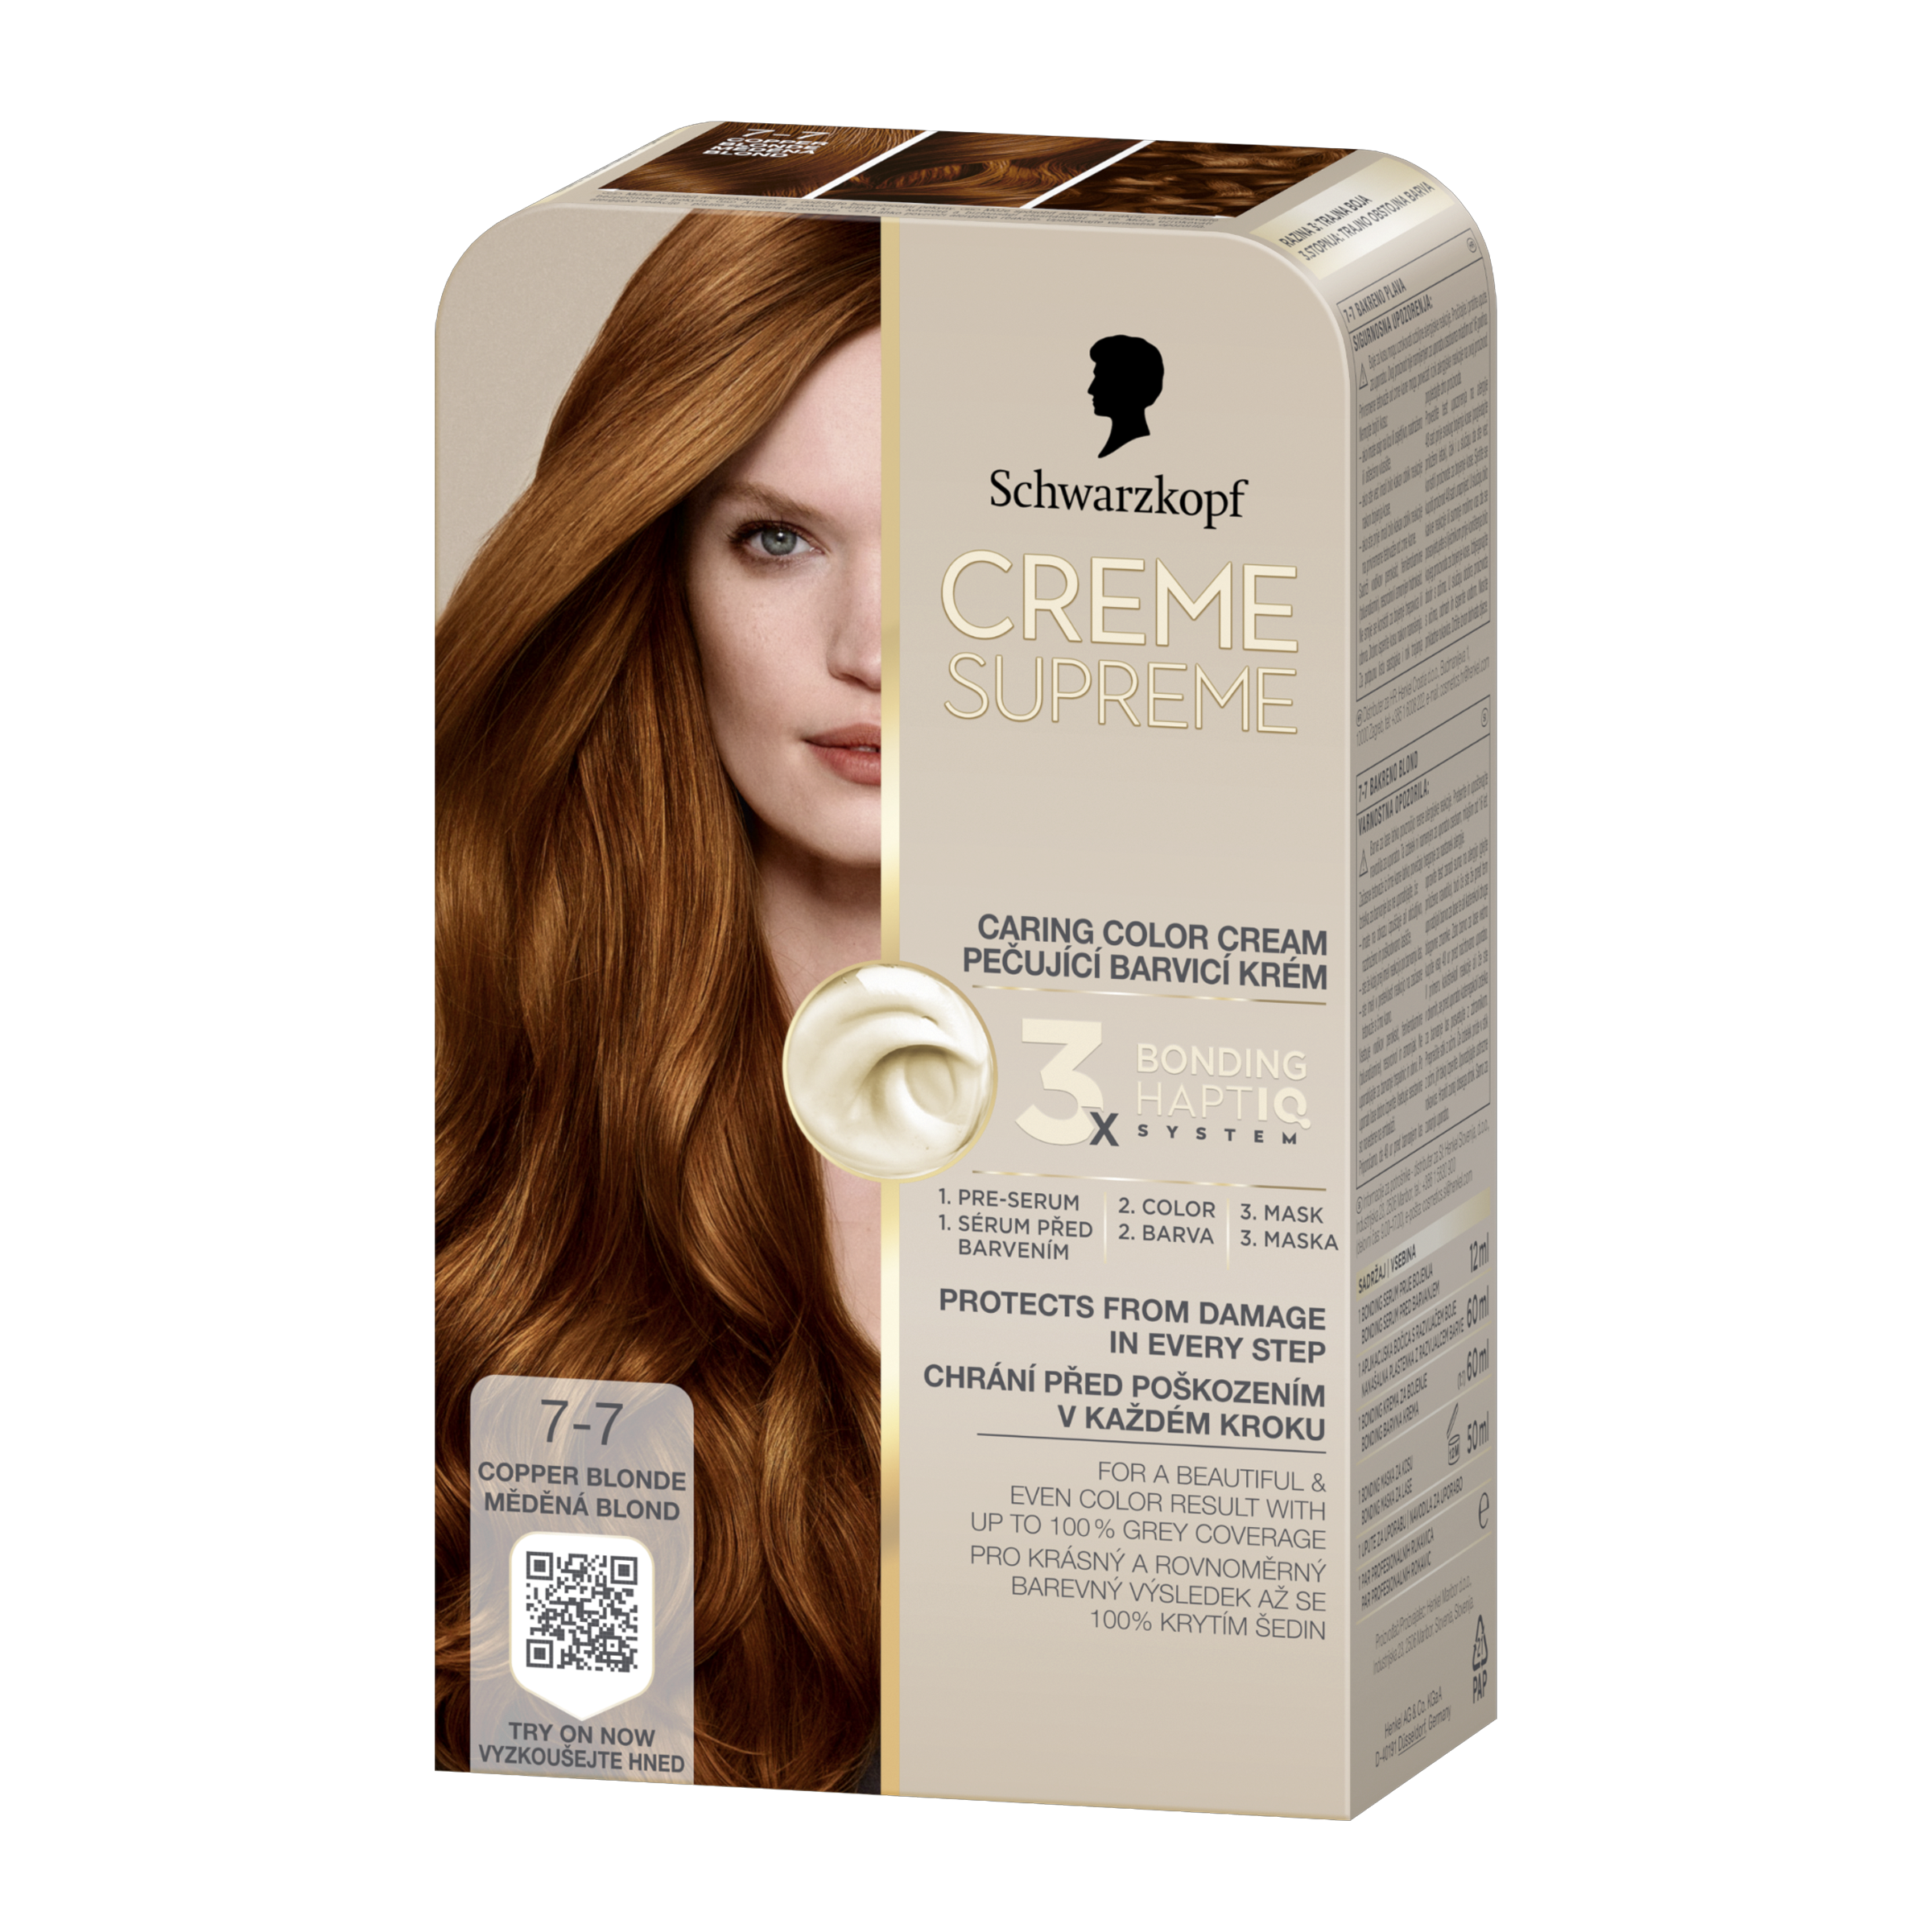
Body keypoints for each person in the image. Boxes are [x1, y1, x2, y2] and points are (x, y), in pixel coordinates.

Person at [435, 211, 883, 1794]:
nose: (873, 649)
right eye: (780, 540)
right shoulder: (488, 1069)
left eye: (962, 543)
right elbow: (566, 1745)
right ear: (665, 569)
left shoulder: (1250, 1094)